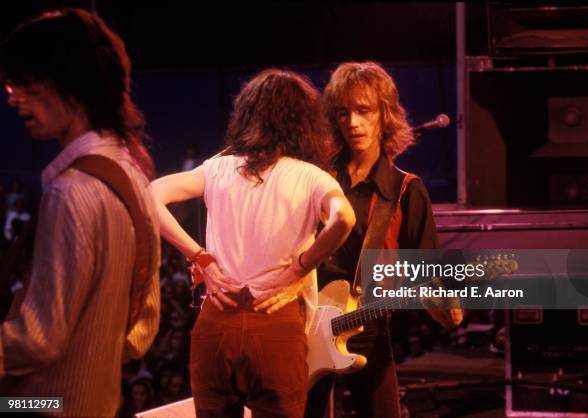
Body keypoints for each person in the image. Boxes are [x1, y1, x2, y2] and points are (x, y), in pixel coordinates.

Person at [152, 68, 356, 418]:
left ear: (246, 116)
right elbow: (344, 219)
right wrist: (299, 267)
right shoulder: (311, 177)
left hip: (216, 323)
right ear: (304, 122)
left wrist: (203, 260)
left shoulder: (217, 169)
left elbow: (150, 195)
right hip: (276, 322)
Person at [0, 9, 160, 417]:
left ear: (71, 82)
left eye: (25, 83)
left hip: (44, 404)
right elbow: (141, 331)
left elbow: (38, 337)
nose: (13, 96)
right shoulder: (134, 176)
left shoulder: (71, 192)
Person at [305, 62, 462, 418]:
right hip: (305, 323)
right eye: (343, 113)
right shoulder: (316, 177)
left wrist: (443, 300)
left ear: (385, 115)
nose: (352, 124)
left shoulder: (406, 190)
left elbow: (427, 271)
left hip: (368, 325)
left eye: (364, 111)